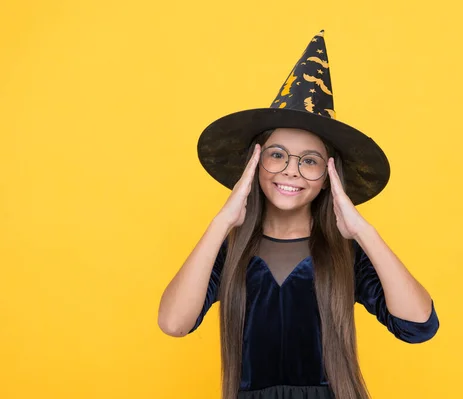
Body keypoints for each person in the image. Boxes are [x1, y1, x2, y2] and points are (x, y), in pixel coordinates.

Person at [158, 30, 439, 399]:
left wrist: (362, 231)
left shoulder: (345, 255)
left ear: (327, 178)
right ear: (255, 165)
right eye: (277, 155)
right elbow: (174, 323)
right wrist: (222, 221)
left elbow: (417, 326)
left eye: (310, 162)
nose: (291, 171)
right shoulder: (230, 253)